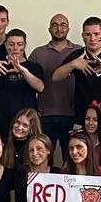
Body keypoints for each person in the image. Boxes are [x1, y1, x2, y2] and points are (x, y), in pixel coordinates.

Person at [0, 29, 44, 132]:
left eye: (19, 44)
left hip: (26, 125)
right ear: (5, 45)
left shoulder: (33, 67)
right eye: (11, 44)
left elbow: (40, 87)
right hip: (1, 124)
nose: (15, 48)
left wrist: (23, 70)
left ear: (24, 45)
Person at [30, 14, 78, 146]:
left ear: (68, 29)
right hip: (45, 115)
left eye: (63, 25)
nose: (59, 29)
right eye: (55, 25)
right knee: (44, 154)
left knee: (72, 154)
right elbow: (29, 83)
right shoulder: (38, 53)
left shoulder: (79, 51)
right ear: (49, 29)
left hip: (73, 115)